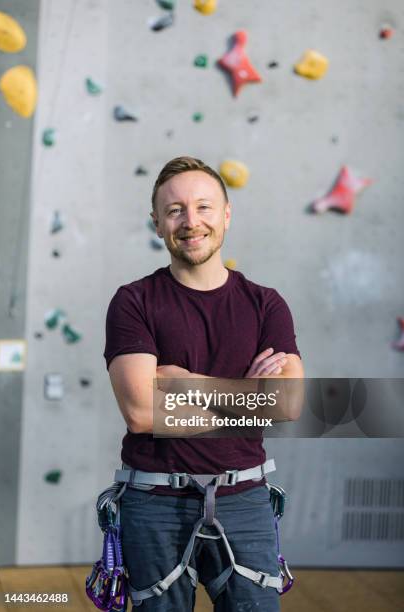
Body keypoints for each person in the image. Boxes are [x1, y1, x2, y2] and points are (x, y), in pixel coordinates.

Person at [104, 156, 304, 611]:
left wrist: (182, 384)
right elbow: (140, 413)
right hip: (155, 501)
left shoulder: (266, 304)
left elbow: (288, 404)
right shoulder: (133, 302)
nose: (190, 222)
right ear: (156, 223)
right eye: (174, 210)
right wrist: (246, 392)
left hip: (246, 498)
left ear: (227, 215)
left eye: (204, 207)